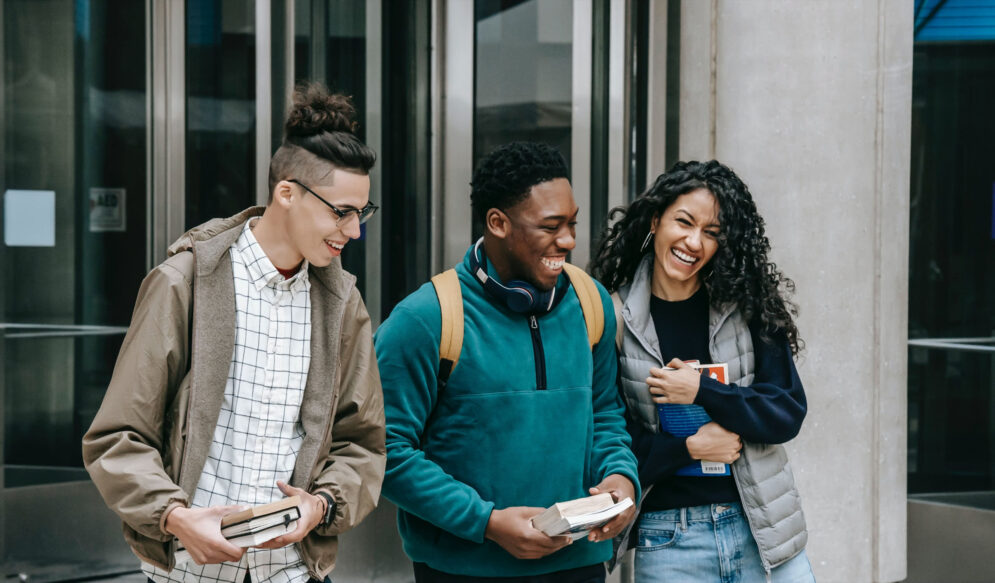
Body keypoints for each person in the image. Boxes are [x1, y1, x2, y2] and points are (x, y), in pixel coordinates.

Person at [82, 84, 386, 583]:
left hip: (294, 572)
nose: (354, 231)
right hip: (188, 571)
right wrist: (175, 517)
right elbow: (116, 436)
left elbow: (362, 442)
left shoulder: (340, 303)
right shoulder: (184, 283)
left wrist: (322, 505)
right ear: (286, 192)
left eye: (363, 213)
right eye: (342, 212)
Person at [374, 142, 639, 582]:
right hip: (462, 573)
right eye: (550, 226)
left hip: (581, 568)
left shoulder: (592, 302)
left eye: (572, 223)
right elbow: (385, 452)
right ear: (497, 222)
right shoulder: (425, 319)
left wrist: (620, 477)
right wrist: (487, 522)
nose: (569, 241)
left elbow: (606, 413)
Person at [590, 160, 816, 582]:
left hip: (764, 535)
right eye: (684, 222)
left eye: (711, 233)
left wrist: (702, 391)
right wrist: (690, 448)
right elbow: (606, 440)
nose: (694, 242)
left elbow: (786, 411)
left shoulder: (745, 305)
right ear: (656, 220)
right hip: (671, 540)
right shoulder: (613, 316)